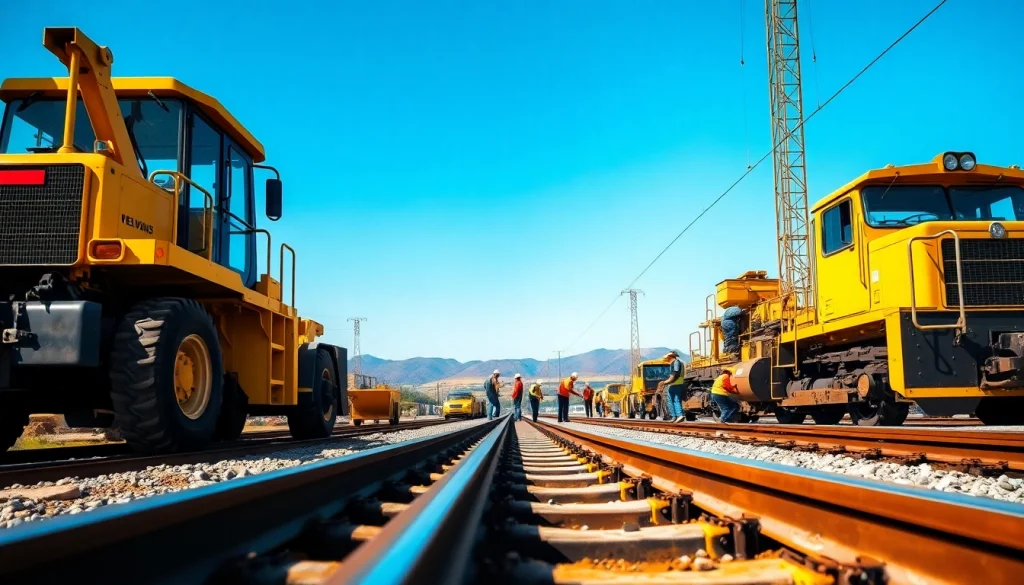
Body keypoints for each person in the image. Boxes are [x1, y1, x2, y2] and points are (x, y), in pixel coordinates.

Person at [657, 351, 688, 423]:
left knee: (674, 400)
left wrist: (664, 382)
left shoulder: (675, 363)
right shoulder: (680, 363)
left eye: (667, 357)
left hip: (674, 384)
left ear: (670, 356)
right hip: (679, 383)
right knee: (674, 400)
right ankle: (675, 416)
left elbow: (674, 374)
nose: (667, 359)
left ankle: (679, 415)